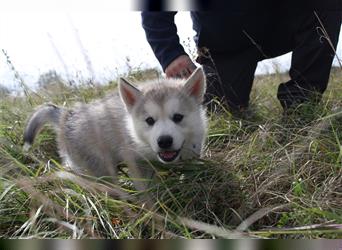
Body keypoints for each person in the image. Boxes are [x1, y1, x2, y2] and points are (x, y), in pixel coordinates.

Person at [141, 10, 342, 115]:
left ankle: (301, 105)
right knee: (218, 111)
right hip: (225, 43)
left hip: (283, 23)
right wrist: (170, 53)